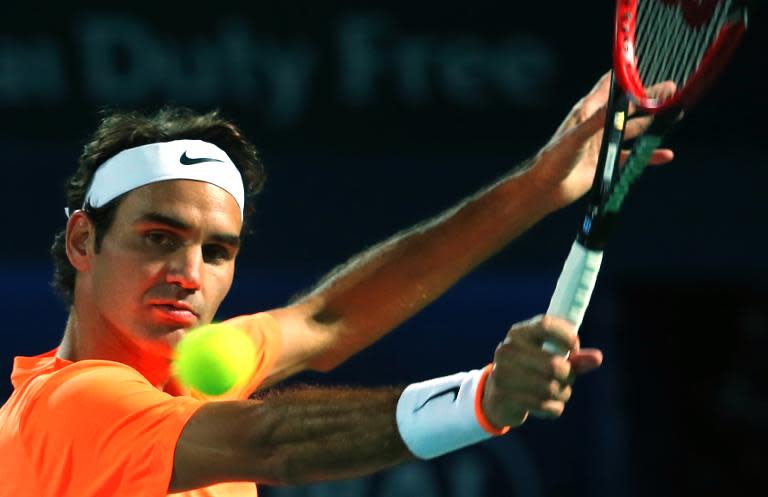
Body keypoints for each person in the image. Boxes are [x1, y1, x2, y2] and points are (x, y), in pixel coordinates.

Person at [0, 71, 673, 497]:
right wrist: (481, 398)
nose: (189, 274)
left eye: (217, 250)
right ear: (84, 240)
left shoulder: (190, 374)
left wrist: (540, 185)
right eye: (159, 238)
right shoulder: (67, 408)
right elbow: (270, 440)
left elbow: (328, 318)